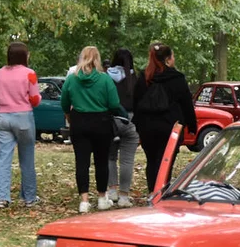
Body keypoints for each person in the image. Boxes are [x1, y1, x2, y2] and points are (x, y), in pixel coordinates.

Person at [61, 46, 128, 213]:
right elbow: (114, 103)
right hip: (101, 122)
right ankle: (101, 198)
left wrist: (69, 116)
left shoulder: (72, 79)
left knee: (81, 162)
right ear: (97, 59)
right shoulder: (104, 79)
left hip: (79, 122)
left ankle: (84, 201)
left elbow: (64, 102)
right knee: (101, 161)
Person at [133, 42, 197, 193]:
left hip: (147, 127)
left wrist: (138, 125)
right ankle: (161, 192)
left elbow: (136, 103)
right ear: (168, 59)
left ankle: (152, 192)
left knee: (152, 160)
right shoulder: (177, 78)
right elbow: (186, 103)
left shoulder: (144, 77)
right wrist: (192, 125)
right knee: (166, 161)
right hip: (170, 127)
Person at [0, 41, 41, 208]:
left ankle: (2, 198)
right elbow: (35, 99)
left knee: (4, 159)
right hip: (23, 117)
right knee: (26, 158)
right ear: (24, 56)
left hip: (3, 117)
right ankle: (29, 197)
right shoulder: (30, 73)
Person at [106, 48, 139, 207]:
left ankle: (112, 190)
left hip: (110, 121)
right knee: (127, 160)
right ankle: (124, 196)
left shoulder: (106, 77)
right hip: (130, 121)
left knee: (110, 157)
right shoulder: (134, 78)